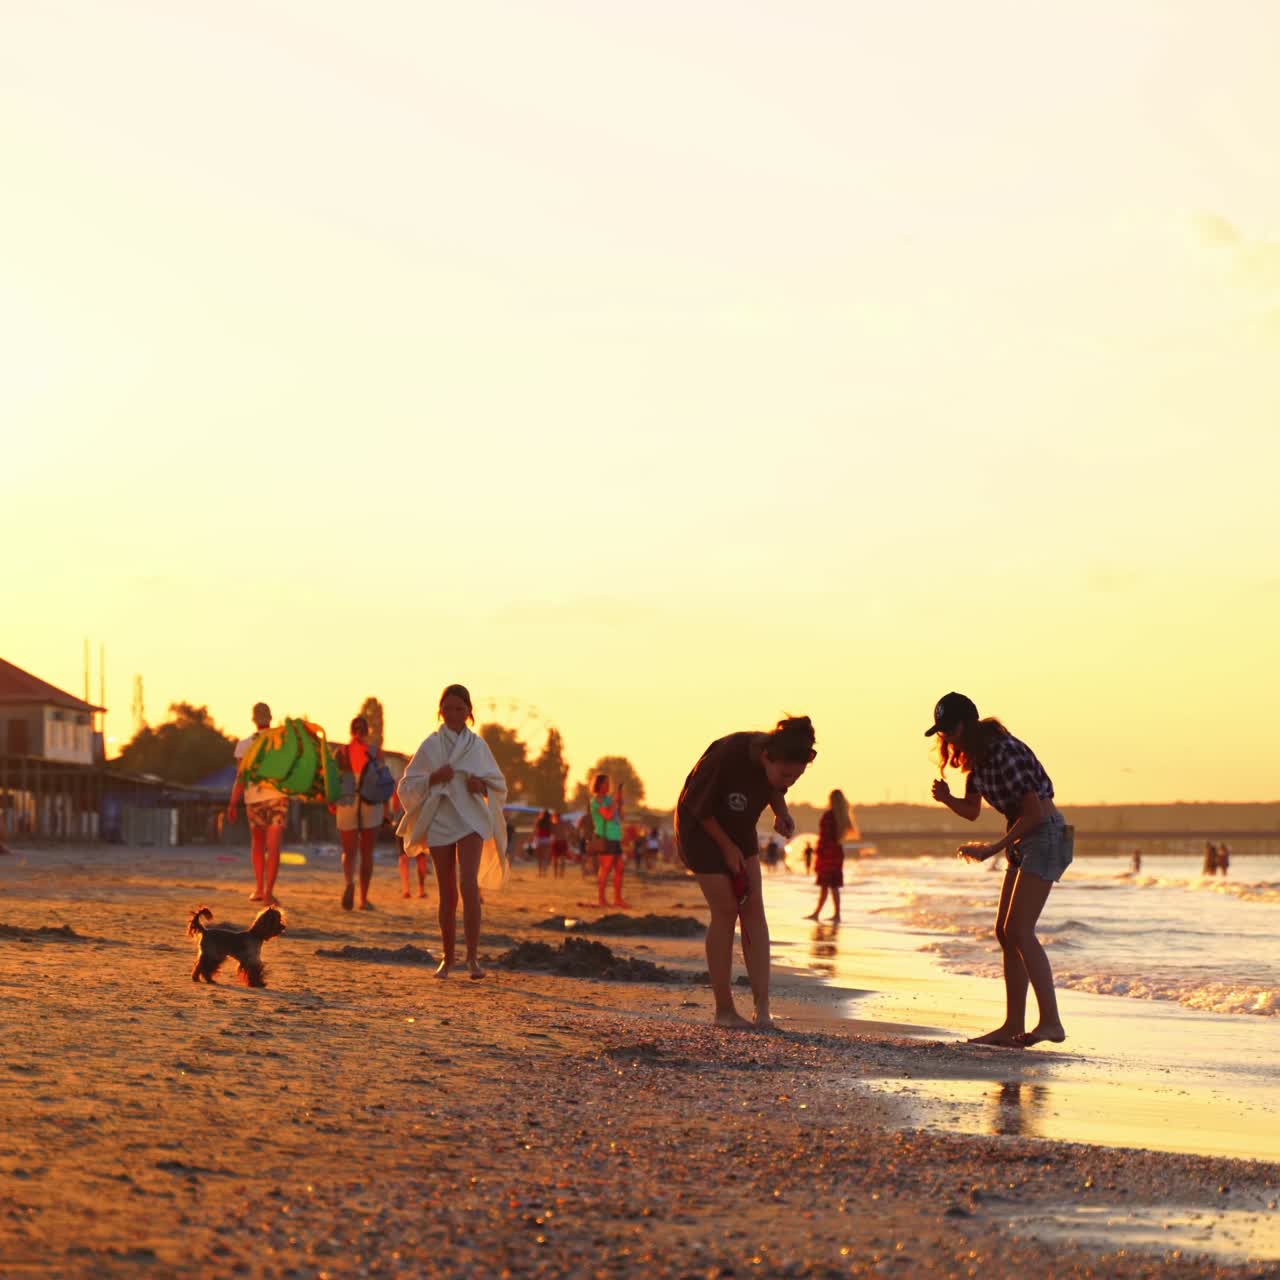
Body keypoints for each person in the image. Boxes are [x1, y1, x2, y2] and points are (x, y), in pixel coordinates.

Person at [927, 692, 1073, 1048]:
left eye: (951, 728)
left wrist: (993, 848)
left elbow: (1035, 814)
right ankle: (1012, 1025)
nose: (946, 737)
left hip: (1046, 835)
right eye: (942, 731)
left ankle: (1051, 1023)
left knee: (1020, 930)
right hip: (1025, 838)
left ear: (969, 723)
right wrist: (947, 800)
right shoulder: (976, 759)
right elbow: (972, 810)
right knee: (1005, 932)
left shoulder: (1003, 751)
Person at [675, 716, 816, 1029]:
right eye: (785, 773)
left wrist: (783, 812)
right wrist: (726, 847)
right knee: (726, 909)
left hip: (739, 828)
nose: (789, 781)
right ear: (767, 756)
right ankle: (724, 1010)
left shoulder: (777, 764)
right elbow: (696, 804)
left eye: (796, 777)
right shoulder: (729, 752)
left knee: (754, 909)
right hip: (699, 826)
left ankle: (762, 1009)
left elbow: (773, 787)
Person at [396, 684, 509, 979]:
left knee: (468, 883)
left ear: (469, 712)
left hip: (471, 819)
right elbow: (406, 786)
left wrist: (480, 787)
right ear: (440, 711)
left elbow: (499, 785)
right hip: (441, 818)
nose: (454, 714)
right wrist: (434, 777)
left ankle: (473, 959)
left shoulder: (478, 747)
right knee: (447, 892)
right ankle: (448, 959)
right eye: (448, 708)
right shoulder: (431, 746)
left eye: (460, 709)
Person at [228, 702, 287, 906]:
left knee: (258, 844)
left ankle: (259, 889)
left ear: (253, 719)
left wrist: (233, 803)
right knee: (274, 847)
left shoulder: (244, 745)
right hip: (277, 798)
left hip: (253, 800)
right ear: (270, 718)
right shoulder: (281, 741)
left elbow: (241, 777)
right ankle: (269, 893)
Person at [333, 716, 384, 911]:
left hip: (347, 795)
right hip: (371, 797)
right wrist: (386, 809)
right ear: (367, 730)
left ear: (351, 730)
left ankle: (349, 881)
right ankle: (363, 899)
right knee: (367, 851)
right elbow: (383, 780)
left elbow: (334, 779)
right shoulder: (374, 752)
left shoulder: (342, 752)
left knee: (349, 850)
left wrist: (332, 800)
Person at [806, 789, 852, 922]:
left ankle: (818, 914)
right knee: (833, 885)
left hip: (827, 853)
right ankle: (836, 914)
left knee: (825, 885)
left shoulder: (829, 816)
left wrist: (818, 852)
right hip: (837, 853)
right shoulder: (843, 817)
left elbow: (824, 837)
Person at [591, 775, 629, 908]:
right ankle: (601, 899)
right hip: (605, 837)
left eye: (609, 783)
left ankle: (618, 899)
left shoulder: (609, 799)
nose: (608, 786)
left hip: (615, 837)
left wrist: (620, 803)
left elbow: (621, 817)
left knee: (620, 868)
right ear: (598, 785)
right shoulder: (597, 800)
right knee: (606, 869)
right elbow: (607, 815)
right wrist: (614, 803)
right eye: (605, 783)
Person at [534, 809, 554, 877]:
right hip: (547, 840)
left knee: (540, 857)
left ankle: (540, 872)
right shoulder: (550, 822)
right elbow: (552, 831)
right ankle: (545, 872)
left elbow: (535, 831)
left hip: (540, 839)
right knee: (546, 857)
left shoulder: (539, 821)